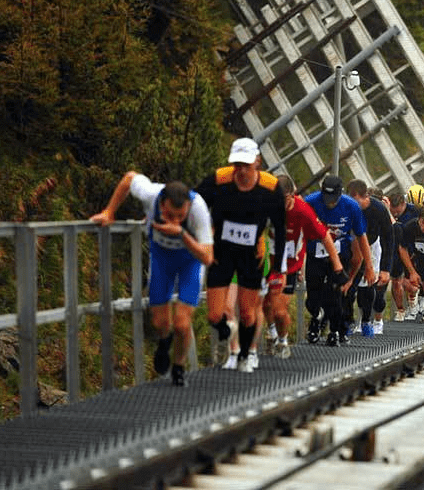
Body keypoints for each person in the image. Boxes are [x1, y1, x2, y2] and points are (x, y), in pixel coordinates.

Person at [91, 172, 213, 386]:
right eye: (170, 215)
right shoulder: (150, 193)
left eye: (180, 217)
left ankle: (178, 367)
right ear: (162, 203)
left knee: (183, 324)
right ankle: (165, 341)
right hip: (162, 260)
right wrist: (109, 211)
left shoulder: (198, 208)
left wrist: (181, 234)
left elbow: (207, 256)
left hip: (190, 263)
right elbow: (129, 178)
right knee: (159, 321)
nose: (175, 221)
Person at [195, 137, 287, 374]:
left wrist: (278, 267)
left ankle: (245, 354)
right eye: (237, 164)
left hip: (251, 253)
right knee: (215, 314)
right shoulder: (219, 179)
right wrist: (206, 236)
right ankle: (232, 344)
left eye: (246, 164)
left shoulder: (270, 187)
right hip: (221, 252)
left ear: (257, 162)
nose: (242, 170)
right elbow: (195, 205)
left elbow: (280, 226)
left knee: (247, 311)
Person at [263, 175, 346, 358]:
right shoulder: (267, 207)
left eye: (283, 200)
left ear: (291, 195)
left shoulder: (302, 211)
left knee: (278, 309)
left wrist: (338, 266)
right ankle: (271, 333)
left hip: (290, 264)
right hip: (269, 259)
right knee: (266, 304)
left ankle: (283, 340)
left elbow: (325, 237)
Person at [305, 175, 374, 346]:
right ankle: (317, 315)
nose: (330, 203)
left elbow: (361, 237)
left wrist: (369, 266)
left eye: (333, 200)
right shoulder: (311, 202)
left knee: (334, 294)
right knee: (313, 295)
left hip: (340, 255)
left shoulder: (351, 207)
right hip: (316, 253)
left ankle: (336, 331)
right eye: (327, 199)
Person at [345, 179, 394, 337]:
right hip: (352, 246)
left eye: (355, 200)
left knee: (368, 287)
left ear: (365, 196)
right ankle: (347, 321)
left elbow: (389, 238)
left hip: (372, 247)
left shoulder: (378, 209)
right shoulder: (347, 207)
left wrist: (386, 268)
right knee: (348, 287)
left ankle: (367, 320)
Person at [388, 192, 420, 320]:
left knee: (411, 283)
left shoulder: (414, 212)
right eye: (393, 211)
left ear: (403, 204)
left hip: (410, 252)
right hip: (394, 250)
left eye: (397, 211)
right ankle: (400, 310)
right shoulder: (387, 212)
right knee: (396, 281)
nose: (395, 214)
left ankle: (413, 298)